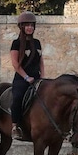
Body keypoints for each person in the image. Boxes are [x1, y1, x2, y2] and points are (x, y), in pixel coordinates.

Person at [10, 11, 45, 140]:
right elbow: (15, 64)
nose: (30, 28)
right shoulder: (16, 43)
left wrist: (43, 76)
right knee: (17, 98)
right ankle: (15, 126)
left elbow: (41, 61)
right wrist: (26, 77)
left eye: (31, 25)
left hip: (36, 78)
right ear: (22, 27)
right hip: (22, 78)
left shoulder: (37, 43)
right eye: (27, 25)